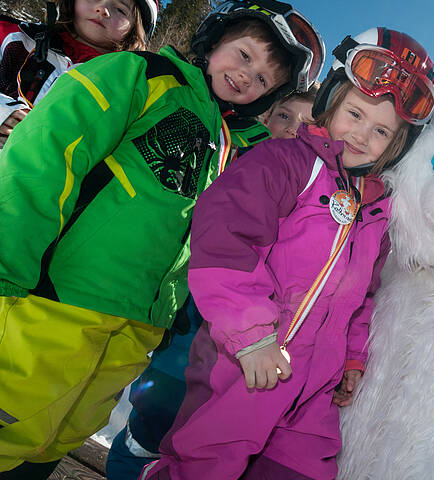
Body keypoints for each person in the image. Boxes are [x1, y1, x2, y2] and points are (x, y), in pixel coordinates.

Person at [0, 0, 324, 478]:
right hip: (54, 299)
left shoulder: (235, 144)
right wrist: (8, 262)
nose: (246, 76)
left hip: (137, 327)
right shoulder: (142, 75)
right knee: (12, 421)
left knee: (58, 435)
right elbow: (44, 156)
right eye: (244, 54)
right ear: (215, 39)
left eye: (262, 80)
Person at [139, 27, 434, 480]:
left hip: (315, 386)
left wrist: (353, 359)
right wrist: (252, 335)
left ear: (397, 146)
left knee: (302, 471)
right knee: (206, 464)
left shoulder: (375, 210)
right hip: (245, 365)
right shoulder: (285, 162)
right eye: (355, 113)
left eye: (381, 131)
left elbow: (363, 297)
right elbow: (225, 236)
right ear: (332, 101)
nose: (362, 134)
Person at [105, 82, 320, 480]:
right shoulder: (236, 161)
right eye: (285, 116)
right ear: (265, 118)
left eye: (307, 123)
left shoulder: (311, 195)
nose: (293, 129)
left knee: (196, 437)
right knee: (153, 423)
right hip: (188, 335)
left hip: (238, 355)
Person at [0, 0, 157, 148]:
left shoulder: (126, 91)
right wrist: (4, 113)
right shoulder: (16, 38)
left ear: (135, 29)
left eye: (120, 10)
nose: (103, 9)